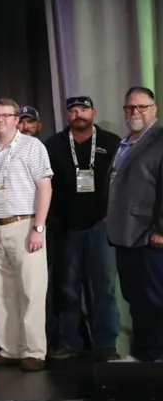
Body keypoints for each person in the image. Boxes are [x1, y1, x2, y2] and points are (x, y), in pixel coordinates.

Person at [44, 95, 122, 361]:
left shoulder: (111, 142)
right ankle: (69, 341)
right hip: (65, 226)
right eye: (73, 110)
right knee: (67, 287)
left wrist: (113, 214)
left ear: (93, 112)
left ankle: (106, 344)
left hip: (101, 225)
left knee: (104, 287)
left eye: (83, 109)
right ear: (67, 114)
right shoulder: (53, 144)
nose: (78, 114)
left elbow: (122, 183)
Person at [0, 98, 53, 371]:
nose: (0, 120)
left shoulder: (32, 146)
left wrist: (38, 227)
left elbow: (45, 187)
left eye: (6, 115)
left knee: (31, 290)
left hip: (25, 223)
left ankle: (34, 351)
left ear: (16, 119)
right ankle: (10, 349)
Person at [106, 86, 163, 361]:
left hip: (150, 236)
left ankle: (156, 357)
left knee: (154, 301)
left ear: (154, 109)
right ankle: (143, 357)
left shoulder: (160, 140)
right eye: (130, 107)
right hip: (125, 234)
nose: (135, 112)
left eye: (142, 107)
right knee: (136, 299)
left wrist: (161, 229)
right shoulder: (125, 142)